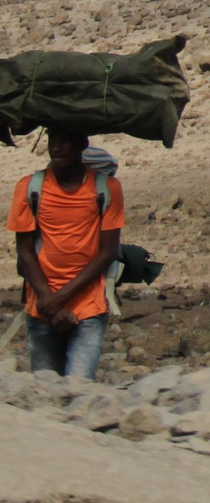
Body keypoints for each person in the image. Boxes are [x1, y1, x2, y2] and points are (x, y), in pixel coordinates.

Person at [10, 129, 123, 380]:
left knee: (79, 388)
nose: (56, 147)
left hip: (88, 308)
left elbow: (108, 252)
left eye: (65, 141)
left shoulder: (107, 189)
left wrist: (57, 299)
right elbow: (24, 252)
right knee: (44, 391)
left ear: (82, 143)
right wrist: (50, 305)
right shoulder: (29, 188)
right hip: (42, 308)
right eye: (53, 140)